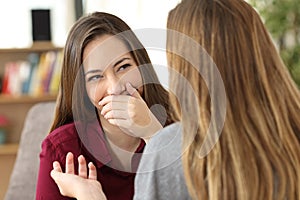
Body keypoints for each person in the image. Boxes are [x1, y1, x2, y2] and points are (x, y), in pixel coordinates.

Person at [51, 0, 300, 199]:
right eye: (96, 76)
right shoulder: (290, 135)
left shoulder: (174, 146)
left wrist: (89, 196)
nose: (115, 88)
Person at [35, 11, 174, 200]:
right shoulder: (62, 149)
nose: (115, 88)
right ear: (81, 89)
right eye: (96, 77)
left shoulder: (180, 128)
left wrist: (153, 134)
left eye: (123, 67)